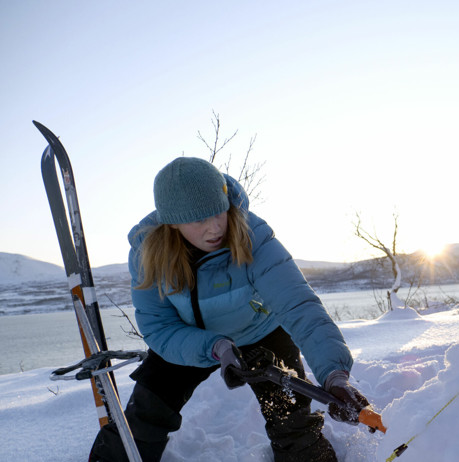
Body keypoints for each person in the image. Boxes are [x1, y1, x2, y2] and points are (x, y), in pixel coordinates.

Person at [90, 157, 369, 462]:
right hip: (189, 339)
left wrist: (335, 376)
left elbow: (299, 306)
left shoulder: (253, 235)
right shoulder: (148, 255)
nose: (214, 228)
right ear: (172, 222)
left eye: (219, 212)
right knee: (144, 417)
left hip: (259, 333)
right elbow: (159, 328)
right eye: (199, 220)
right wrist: (218, 346)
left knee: (292, 419)